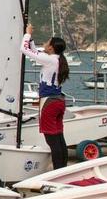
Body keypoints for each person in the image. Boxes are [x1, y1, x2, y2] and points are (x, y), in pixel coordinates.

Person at [21, 23, 70, 169]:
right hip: (58, 101)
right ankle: (63, 168)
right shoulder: (57, 59)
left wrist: (27, 34)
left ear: (51, 48)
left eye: (48, 42)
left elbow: (24, 50)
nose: (45, 43)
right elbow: (34, 52)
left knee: (52, 140)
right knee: (59, 138)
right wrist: (30, 36)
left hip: (49, 102)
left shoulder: (50, 60)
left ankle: (58, 170)